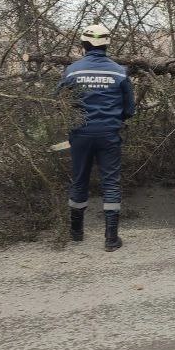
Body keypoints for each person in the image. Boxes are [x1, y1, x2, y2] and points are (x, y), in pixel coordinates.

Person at [58, 24, 136, 251]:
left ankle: (76, 232)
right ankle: (111, 239)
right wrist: (114, 119)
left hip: (80, 134)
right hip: (109, 135)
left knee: (79, 179)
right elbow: (130, 109)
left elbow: (59, 102)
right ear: (106, 45)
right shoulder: (119, 71)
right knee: (110, 182)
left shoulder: (72, 71)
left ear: (83, 45)